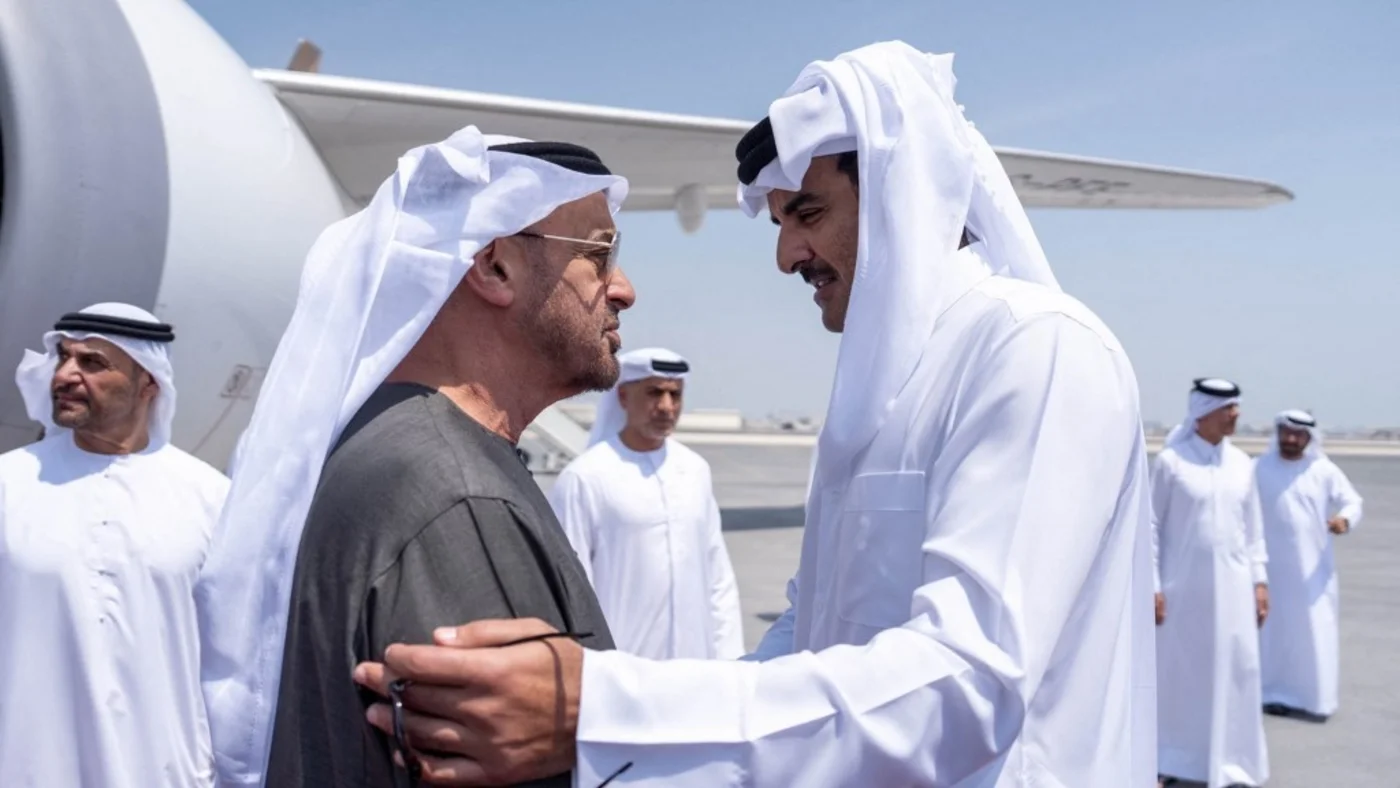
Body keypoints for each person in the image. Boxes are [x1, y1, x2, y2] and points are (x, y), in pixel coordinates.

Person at [351, 41, 1157, 787]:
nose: (786, 256)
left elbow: (970, 684)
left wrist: (598, 710)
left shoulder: (1037, 351)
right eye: (780, 225)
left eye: (808, 213)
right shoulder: (882, 391)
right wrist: (618, 737)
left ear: (902, 195)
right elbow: (807, 638)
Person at [192, 129, 635, 787]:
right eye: (597, 256)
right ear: (495, 266)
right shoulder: (454, 493)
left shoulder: (404, 446)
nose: (622, 289)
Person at [0, 302, 229, 788]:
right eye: (63, 357)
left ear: (149, 383)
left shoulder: (211, 499)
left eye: (92, 362)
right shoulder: (8, 483)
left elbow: (234, 660)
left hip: (163, 771)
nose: (66, 374)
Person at [549, 347, 744, 661]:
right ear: (623, 397)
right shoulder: (585, 477)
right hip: (622, 670)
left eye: (675, 395)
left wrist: (729, 660)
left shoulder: (695, 470)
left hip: (696, 670)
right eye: (654, 393)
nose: (666, 406)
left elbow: (717, 576)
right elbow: (570, 589)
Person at [1152, 377, 1269, 788]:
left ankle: (1233, 763)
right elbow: (1150, 527)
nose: (1235, 415)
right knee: (1182, 678)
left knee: (1236, 672)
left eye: (1236, 407)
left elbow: (1253, 531)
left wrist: (1260, 582)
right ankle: (1172, 761)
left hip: (1235, 592)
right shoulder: (1171, 463)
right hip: (1183, 594)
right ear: (1203, 412)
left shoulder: (1242, 464)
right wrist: (1152, 585)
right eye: (1228, 409)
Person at [1256, 409, 1363, 720]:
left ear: (1309, 438)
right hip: (1267, 572)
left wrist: (1345, 520)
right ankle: (1268, 694)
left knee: (1314, 632)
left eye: (1298, 434)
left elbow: (1353, 501)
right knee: (1270, 635)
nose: (1291, 439)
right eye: (1286, 432)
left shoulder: (1324, 470)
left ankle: (1313, 700)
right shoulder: (1257, 468)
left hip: (1312, 574)